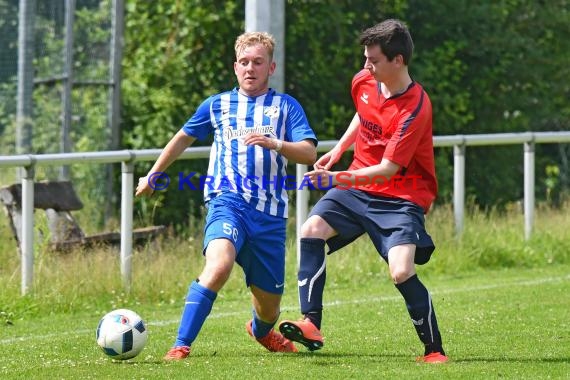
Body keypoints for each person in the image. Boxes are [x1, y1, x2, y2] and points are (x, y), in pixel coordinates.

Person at [136, 31, 318, 360]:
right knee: (219, 265)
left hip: (271, 216)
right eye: (244, 62)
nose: (251, 68)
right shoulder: (217, 105)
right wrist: (155, 173)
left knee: (269, 309)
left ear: (271, 67)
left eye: (258, 62)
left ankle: (261, 331)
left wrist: (275, 143)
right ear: (236, 67)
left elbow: (308, 152)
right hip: (227, 202)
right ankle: (180, 345)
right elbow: (182, 137)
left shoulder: (285, 107)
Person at [278, 19, 448, 363]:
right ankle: (311, 324)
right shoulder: (365, 80)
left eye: (373, 60)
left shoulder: (415, 107)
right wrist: (339, 149)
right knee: (310, 230)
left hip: (401, 196)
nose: (366, 66)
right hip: (358, 183)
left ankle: (434, 351)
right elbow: (363, 113)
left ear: (398, 61)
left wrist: (335, 178)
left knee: (401, 271)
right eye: (366, 59)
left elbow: (388, 169)